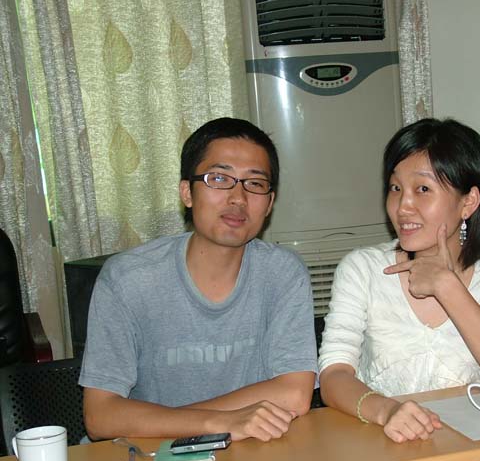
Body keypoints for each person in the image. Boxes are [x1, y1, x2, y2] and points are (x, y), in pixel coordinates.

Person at [79, 117, 317, 442]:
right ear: (187, 193)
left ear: (269, 203)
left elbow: (295, 394)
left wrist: (170, 421)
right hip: (149, 456)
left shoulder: (283, 273)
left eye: (255, 183)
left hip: (252, 452)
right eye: (219, 178)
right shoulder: (128, 279)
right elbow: (100, 416)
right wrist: (218, 422)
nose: (238, 198)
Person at [318, 118, 480, 444]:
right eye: (395, 188)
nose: (403, 206)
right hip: (384, 446)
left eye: (422, 189)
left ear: (468, 202)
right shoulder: (362, 269)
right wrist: (387, 411)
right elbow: (333, 376)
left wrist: (447, 287)